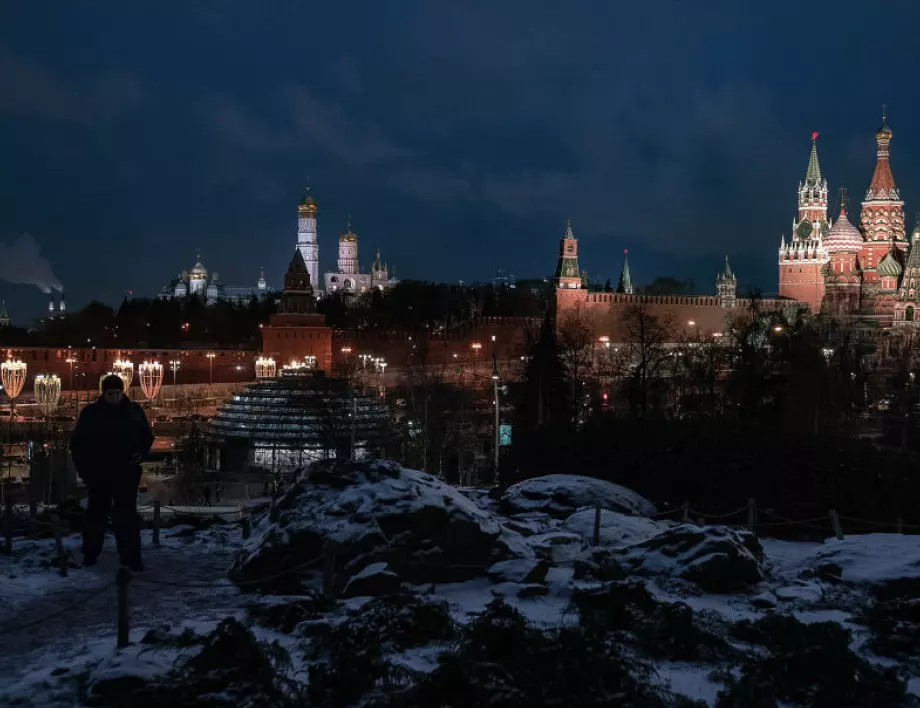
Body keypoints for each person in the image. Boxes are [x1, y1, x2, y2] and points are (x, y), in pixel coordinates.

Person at [70, 374, 154, 571]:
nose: (115, 397)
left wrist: (141, 455)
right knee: (96, 515)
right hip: (99, 474)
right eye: (110, 394)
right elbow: (77, 445)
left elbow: (147, 437)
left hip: (126, 474)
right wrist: (85, 472)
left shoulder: (134, 411)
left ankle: (131, 557)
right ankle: (91, 554)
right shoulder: (92, 414)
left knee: (126, 517)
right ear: (104, 393)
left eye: (118, 393)